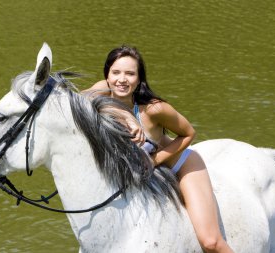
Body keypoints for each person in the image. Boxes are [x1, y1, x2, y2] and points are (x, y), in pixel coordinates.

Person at [83, 45, 234, 253]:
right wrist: (125, 115)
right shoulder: (101, 91)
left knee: (210, 241)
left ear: (139, 79)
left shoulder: (154, 110)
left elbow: (189, 133)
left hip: (179, 164)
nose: (122, 79)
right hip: (138, 173)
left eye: (130, 74)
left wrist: (153, 160)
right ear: (107, 75)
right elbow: (75, 103)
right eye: (116, 72)